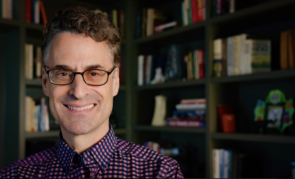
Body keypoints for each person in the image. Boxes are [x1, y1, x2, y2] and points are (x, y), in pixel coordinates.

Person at [0, 6, 183, 178]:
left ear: (115, 81)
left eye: (94, 73)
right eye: (63, 73)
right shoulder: (14, 175)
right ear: (45, 82)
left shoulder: (162, 173)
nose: (78, 91)